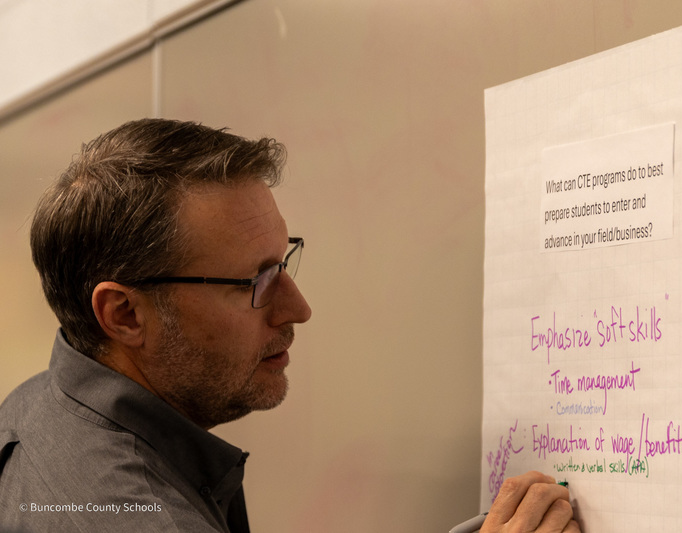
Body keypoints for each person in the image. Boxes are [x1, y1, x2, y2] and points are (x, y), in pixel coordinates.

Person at [0, 118, 579, 532]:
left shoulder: (37, 409)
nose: (297, 307)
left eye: (283, 262)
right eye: (254, 280)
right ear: (125, 314)